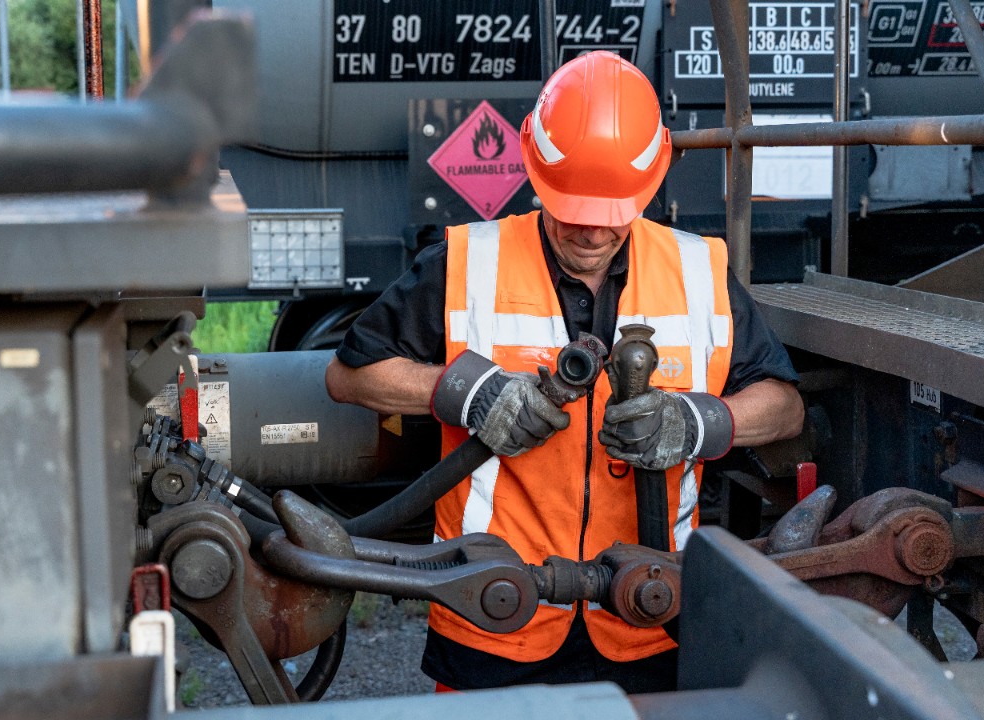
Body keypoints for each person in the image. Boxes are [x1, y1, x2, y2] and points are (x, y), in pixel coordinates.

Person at [324, 51, 804, 694]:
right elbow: (349, 377)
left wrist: (694, 423)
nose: (591, 233)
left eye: (612, 215)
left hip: (649, 611)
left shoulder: (698, 272)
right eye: (573, 210)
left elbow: (783, 405)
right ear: (535, 169)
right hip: (496, 609)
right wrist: (469, 393)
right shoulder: (468, 262)